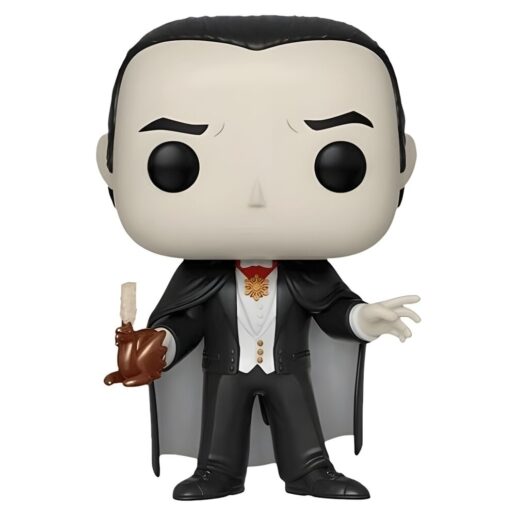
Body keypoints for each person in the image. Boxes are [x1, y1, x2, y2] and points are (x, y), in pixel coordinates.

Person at [98, 15, 421, 500]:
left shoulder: (307, 274)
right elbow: (186, 320)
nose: (256, 196)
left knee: (300, 418)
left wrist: (361, 318)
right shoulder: (199, 277)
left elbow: (330, 308)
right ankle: (217, 471)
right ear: (111, 164)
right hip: (224, 367)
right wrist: (161, 342)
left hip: (289, 365)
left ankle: (310, 469)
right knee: (220, 422)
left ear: (401, 163)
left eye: (338, 162)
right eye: (176, 163)